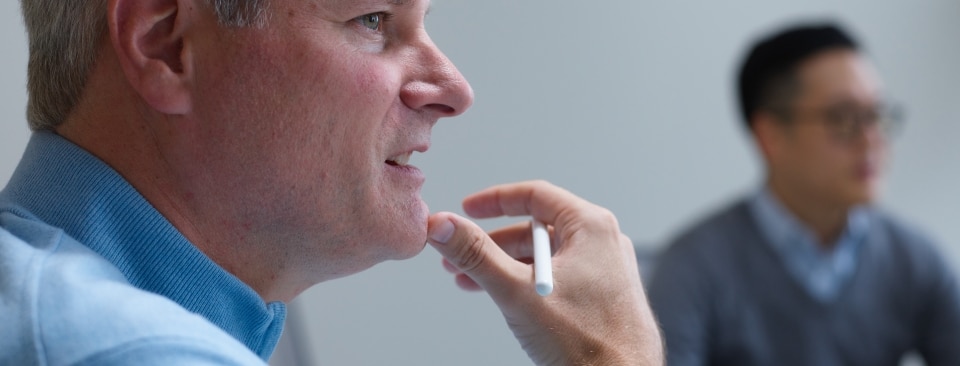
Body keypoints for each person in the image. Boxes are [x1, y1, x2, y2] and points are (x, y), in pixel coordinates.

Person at [0, 0, 664, 365]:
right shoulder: (140, 353)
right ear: (166, 46)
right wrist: (611, 359)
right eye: (374, 20)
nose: (455, 90)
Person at [647, 22, 960, 366]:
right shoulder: (693, 268)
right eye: (844, 118)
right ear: (770, 135)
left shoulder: (915, 261)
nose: (872, 138)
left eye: (876, 114)